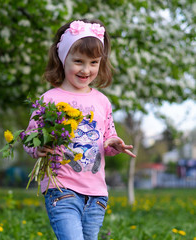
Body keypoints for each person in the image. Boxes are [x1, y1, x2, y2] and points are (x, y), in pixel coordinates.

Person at [24, 19, 136, 240]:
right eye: (78, 61)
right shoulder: (49, 99)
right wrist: (38, 148)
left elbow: (107, 138)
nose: (86, 70)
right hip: (61, 190)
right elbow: (30, 137)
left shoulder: (102, 101)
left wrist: (114, 144)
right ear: (63, 59)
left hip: (96, 195)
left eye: (94, 62)